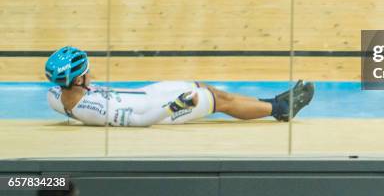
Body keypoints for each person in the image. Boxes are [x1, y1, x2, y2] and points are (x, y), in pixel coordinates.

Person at [45, 46, 314, 127]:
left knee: (205, 86)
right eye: (86, 70)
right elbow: (140, 122)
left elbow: (68, 109)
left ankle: (269, 102)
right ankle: (280, 108)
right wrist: (176, 105)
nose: (91, 71)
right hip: (159, 108)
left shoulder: (56, 94)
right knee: (219, 101)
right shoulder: (93, 109)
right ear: (78, 79)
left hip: (146, 93)